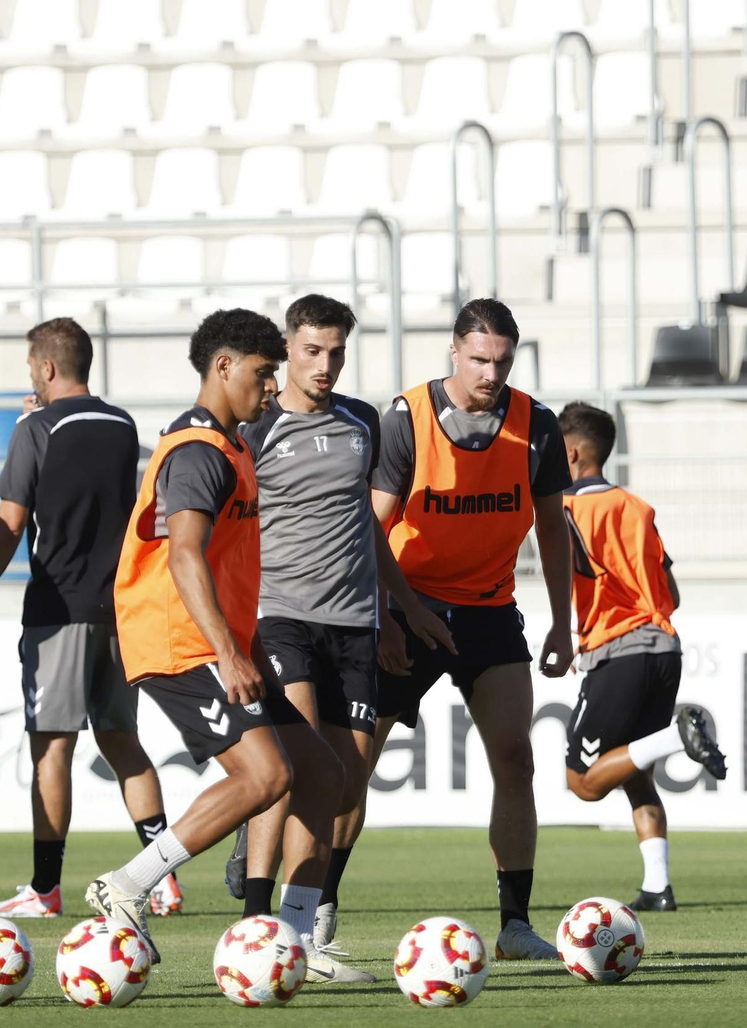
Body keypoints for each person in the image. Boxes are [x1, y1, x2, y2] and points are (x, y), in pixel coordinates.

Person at [85, 308, 343, 967]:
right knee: (267, 774)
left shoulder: (231, 446)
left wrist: (243, 644)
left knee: (322, 776)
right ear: (222, 367)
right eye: (262, 374)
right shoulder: (198, 451)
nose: (269, 388)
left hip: (220, 639)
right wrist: (229, 652)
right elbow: (184, 556)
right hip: (179, 641)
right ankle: (127, 885)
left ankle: (288, 937)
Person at [227, 295, 452, 981]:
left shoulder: (360, 421)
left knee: (344, 785)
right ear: (288, 350)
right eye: (311, 351)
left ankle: (299, 936)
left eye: (336, 353)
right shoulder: (256, 429)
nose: (324, 366)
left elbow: (368, 528)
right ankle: (256, 928)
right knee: (296, 772)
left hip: (355, 623)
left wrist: (403, 611)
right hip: (282, 617)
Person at [369, 297, 574, 961]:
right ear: (454, 352)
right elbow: (369, 528)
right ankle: (315, 918)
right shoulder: (407, 418)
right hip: (409, 606)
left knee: (516, 759)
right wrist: (388, 617)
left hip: (490, 612)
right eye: (480, 358)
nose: (491, 372)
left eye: (503, 361)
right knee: (348, 769)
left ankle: (515, 925)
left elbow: (553, 530)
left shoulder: (536, 425)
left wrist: (563, 624)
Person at [0, 319, 180, 920]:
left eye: (33, 364)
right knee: (121, 741)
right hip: (120, 608)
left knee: (51, 748)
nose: (30, 373)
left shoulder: (36, 427)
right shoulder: (122, 424)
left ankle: (45, 888)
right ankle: (161, 878)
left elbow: (10, 522)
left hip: (58, 610)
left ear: (47, 368)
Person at [556, 403, 726, 912]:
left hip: (617, 648)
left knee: (583, 782)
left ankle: (679, 734)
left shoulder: (564, 507)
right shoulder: (637, 507)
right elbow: (669, 588)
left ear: (571, 453)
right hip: (664, 646)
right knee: (635, 770)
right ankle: (658, 886)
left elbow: (562, 573)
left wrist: (571, 633)